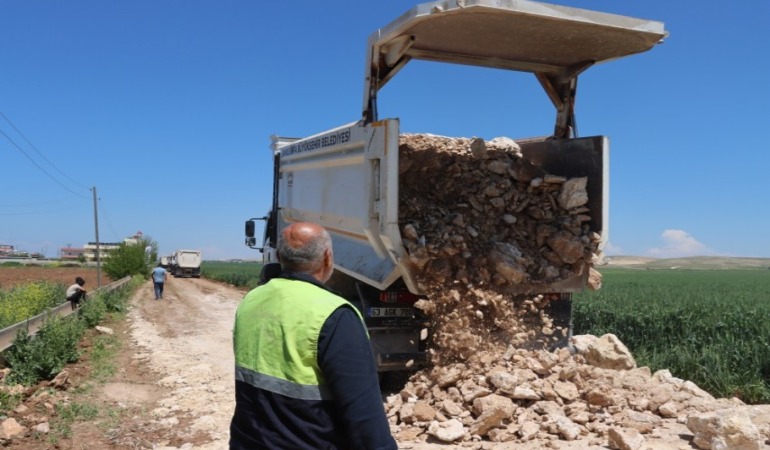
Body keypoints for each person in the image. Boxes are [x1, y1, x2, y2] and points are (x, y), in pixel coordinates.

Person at [229, 222, 397, 450]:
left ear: (279, 256)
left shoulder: (251, 300)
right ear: (328, 257)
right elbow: (363, 413)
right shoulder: (335, 315)